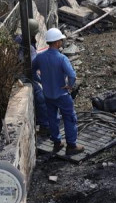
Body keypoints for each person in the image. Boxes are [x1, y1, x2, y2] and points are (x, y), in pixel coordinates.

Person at [32, 28, 81, 156]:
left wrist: (41, 80)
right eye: (60, 40)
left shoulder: (40, 57)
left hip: (48, 95)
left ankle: (57, 142)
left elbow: (31, 70)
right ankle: (71, 145)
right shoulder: (62, 58)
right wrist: (69, 86)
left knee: (52, 118)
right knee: (69, 118)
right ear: (57, 42)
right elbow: (72, 76)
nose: (61, 42)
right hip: (62, 95)